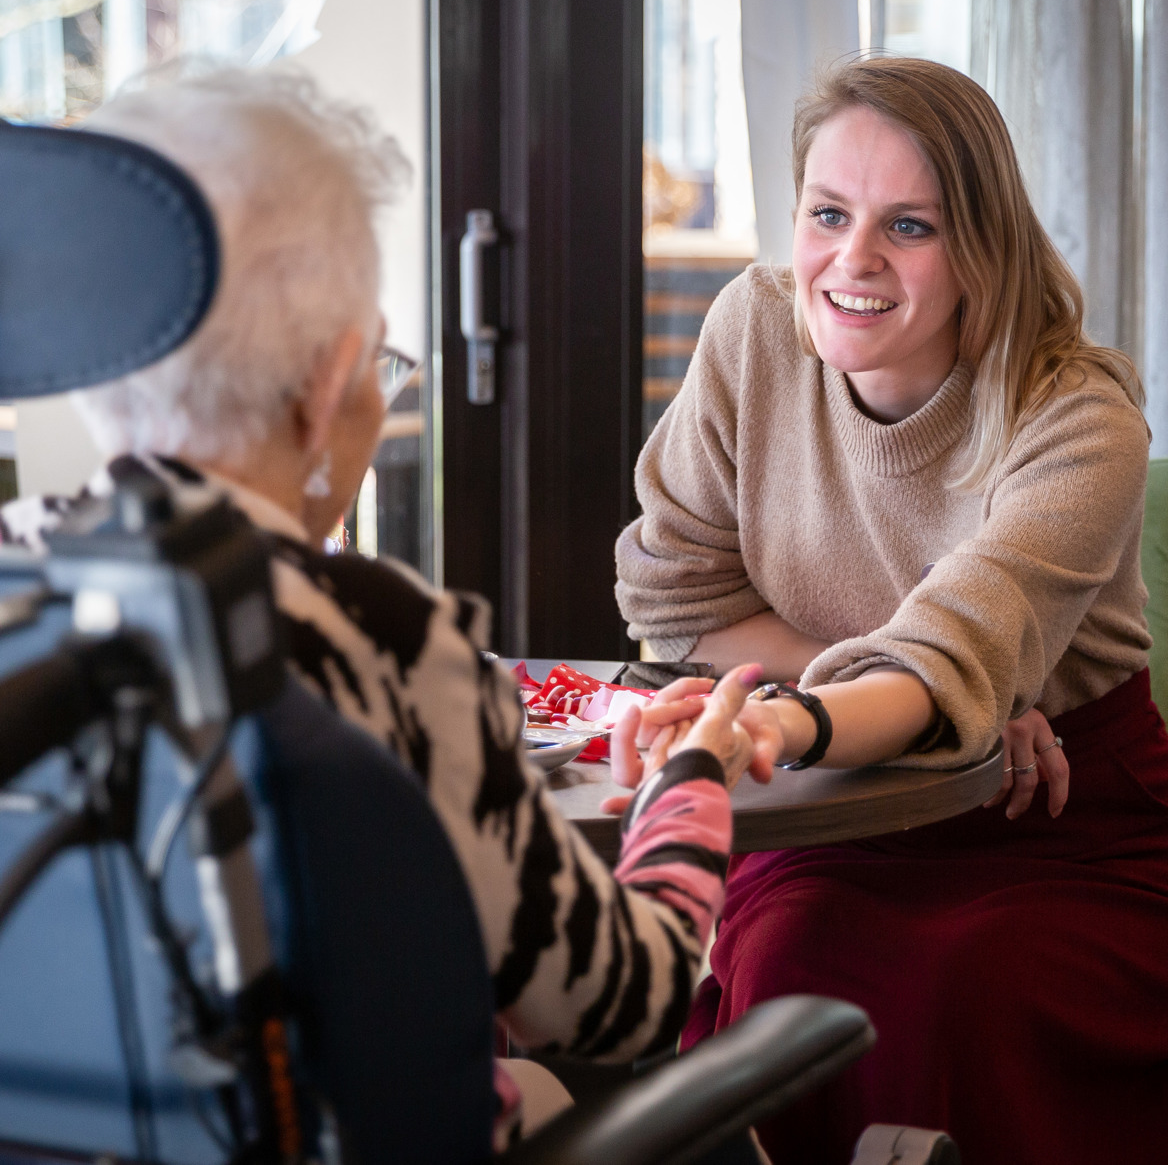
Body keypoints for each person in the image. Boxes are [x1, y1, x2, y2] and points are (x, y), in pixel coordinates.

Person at [0, 68, 775, 1153]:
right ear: (326, 385)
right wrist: (695, 777)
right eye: (383, 360)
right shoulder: (379, 636)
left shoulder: (19, 590)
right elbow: (622, 1003)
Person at [615, 56, 1168, 1164]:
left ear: (981, 247)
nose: (853, 260)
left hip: (1066, 817)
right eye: (828, 213)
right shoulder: (753, 331)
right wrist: (935, 713)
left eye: (911, 226)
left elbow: (958, 644)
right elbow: (673, 593)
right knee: (791, 975)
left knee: (970, 988)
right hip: (832, 809)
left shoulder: (1082, 415)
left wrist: (838, 710)